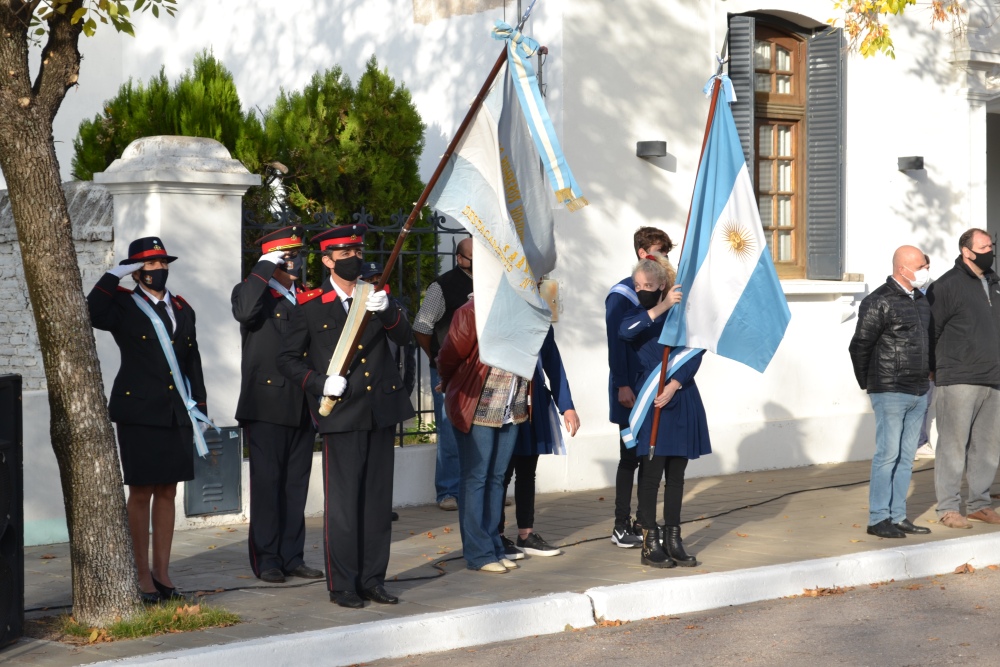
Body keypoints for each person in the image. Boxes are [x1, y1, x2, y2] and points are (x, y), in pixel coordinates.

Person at [277, 223, 415, 608]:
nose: (354, 259)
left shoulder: (375, 296)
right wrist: (319, 383)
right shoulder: (308, 307)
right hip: (342, 413)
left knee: (376, 503)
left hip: (380, 410)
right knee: (343, 507)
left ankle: (373, 579)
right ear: (326, 261)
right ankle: (343, 585)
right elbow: (286, 360)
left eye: (357, 253)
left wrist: (390, 313)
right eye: (345, 255)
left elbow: (406, 339)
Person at [88, 237, 208, 603]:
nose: (159, 270)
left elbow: (191, 358)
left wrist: (199, 403)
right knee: (141, 492)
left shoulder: (182, 307)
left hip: (175, 409)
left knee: (169, 491)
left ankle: (162, 571)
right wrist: (111, 276)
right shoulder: (122, 304)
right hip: (139, 410)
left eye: (162, 264)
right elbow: (92, 313)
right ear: (136, 271)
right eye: (150, 265)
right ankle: (141, 573)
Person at [232, 226, 324, 583]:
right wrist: (262, 270)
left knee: (295, 485)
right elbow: (244, 313)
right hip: (267, 403)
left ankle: (292, 555)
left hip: (302, 400)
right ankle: (267, 558)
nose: (296, 261)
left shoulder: (304, 295)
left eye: (297, 254)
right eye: (287, 256)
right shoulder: (252, 292)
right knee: (268, 484)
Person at [619, 257, 706, 569]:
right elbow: (626, 332)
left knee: (677, 476)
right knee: (651, 475)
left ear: (662, 286)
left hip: (680, 398)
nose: (642, 290)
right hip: (651, 401)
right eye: (638, 286)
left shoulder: (681, 317)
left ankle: (673, 538)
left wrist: (676, 383)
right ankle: (649, 541)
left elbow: (697, 350)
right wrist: (659, 307)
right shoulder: (635, 314)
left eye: (649, 286)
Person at [437, 297, 528, 574]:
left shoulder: (524, 306)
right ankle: (479, 553)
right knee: (476, 477)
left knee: (497, 477)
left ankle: (494, 546)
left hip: (512, 403)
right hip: (480, 401)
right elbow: (449, 356)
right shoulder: (471, 310)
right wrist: (450, 382)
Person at [848, 245, 933, 539]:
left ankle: (898, 516)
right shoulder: (878, 301)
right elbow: (859, 345)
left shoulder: (921, 300)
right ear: (903, 270)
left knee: (907, 456)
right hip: (890, 389)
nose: (925, 270)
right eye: (922, 266)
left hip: (919, 389)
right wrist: (871, 384)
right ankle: (878, 518)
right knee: (887, 454)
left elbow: (926, 342)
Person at [605, 227, 677, 548]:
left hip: (652, 391)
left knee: (651, 459)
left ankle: (641, 521)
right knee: (629, 456)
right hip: (628, 391)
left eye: (666, 252)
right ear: (641, 252)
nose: (663, 257)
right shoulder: (622, 295)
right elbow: (616, 342)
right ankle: (620, 525)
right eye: (658, 251)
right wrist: (621, 384)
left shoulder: (662, 291)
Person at [926, 228, 1000, 529]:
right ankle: (948, 507)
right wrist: (933, 369)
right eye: (984, 246)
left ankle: (980, 504)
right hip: (958, 377)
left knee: (988, 446)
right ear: (966, 251)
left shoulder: (994, 283)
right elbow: (930, 330)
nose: (990, 250)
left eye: (991, 245)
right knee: (953, 446)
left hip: (993, 377)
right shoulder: (946, 286)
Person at [499, 326, 580, 560]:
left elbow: (553, 363)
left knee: (527, 471)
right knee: (502, 474)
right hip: (505, 400)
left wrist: (567, 406)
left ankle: (526, 534)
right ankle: (497, 535)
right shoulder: (501, 312)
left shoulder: (541, 319)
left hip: (534, 401)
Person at [413, 237, 473, 512]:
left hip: (481, 369)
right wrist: (435, 357)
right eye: (473, 259)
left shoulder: (493, 282)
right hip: (448, 370)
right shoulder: (442, 286)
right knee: (449, 429)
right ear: (459, 259)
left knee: (481, 430)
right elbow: (422, 325)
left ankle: (476, 490)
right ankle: (448, 491)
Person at [914, 253, 936, 460]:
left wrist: (933, 365)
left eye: (927, 266)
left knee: (924, 403)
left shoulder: (936, 290)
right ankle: (913, 443)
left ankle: (919, 442)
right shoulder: (898, 293)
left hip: (928, 360)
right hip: (907, 362)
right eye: (921, 266)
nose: (925, 270)